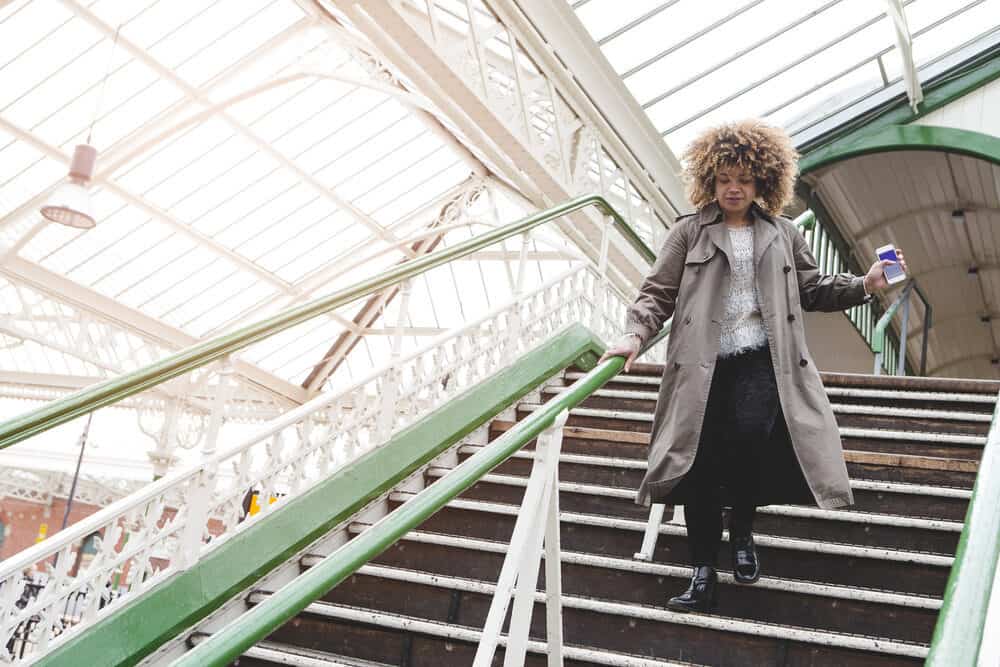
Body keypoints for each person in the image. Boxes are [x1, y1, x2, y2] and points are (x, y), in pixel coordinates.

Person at [598, 119, 907, 613]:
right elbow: (656, 293)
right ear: (710, 180)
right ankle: (702, 571)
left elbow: (813, 289)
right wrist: (635, 334)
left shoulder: (783, 235)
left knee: (746, 443)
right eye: (723, 179)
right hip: (700, 367)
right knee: (696, 464)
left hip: (763, 362)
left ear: (763, 180)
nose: (733, 188)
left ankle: (741, 531)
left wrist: (865, 284)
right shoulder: (688, 233)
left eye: (743, 178)